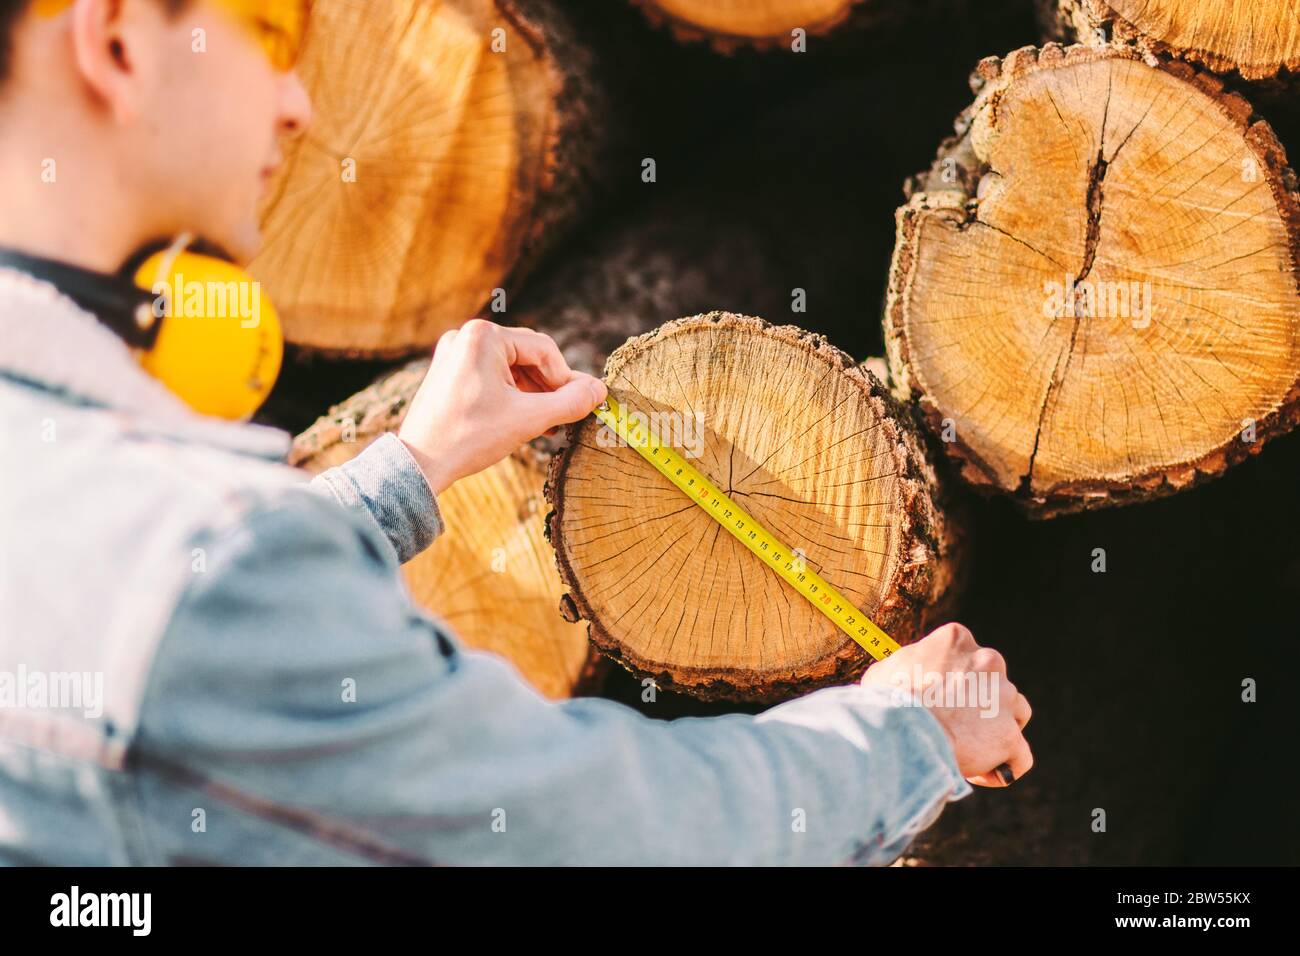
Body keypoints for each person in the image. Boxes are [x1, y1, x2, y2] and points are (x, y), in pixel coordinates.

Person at [0, 0, 1032, 865]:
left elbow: (164, 604)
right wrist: (903, 734)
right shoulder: (194, 570)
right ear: (117, 41)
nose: (297, 99)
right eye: (268, 37)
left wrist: (409, 467)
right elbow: (592, 832)